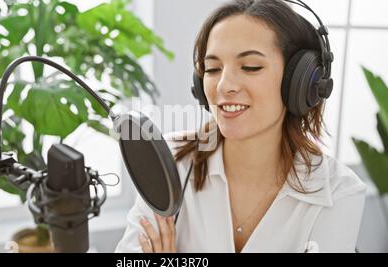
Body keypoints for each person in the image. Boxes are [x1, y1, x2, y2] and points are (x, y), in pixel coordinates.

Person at [115, 0, 366, 253]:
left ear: (299, 83)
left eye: (250, 67)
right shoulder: (169, 159)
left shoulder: (339, 192)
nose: (224, 86)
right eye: (212, 69)